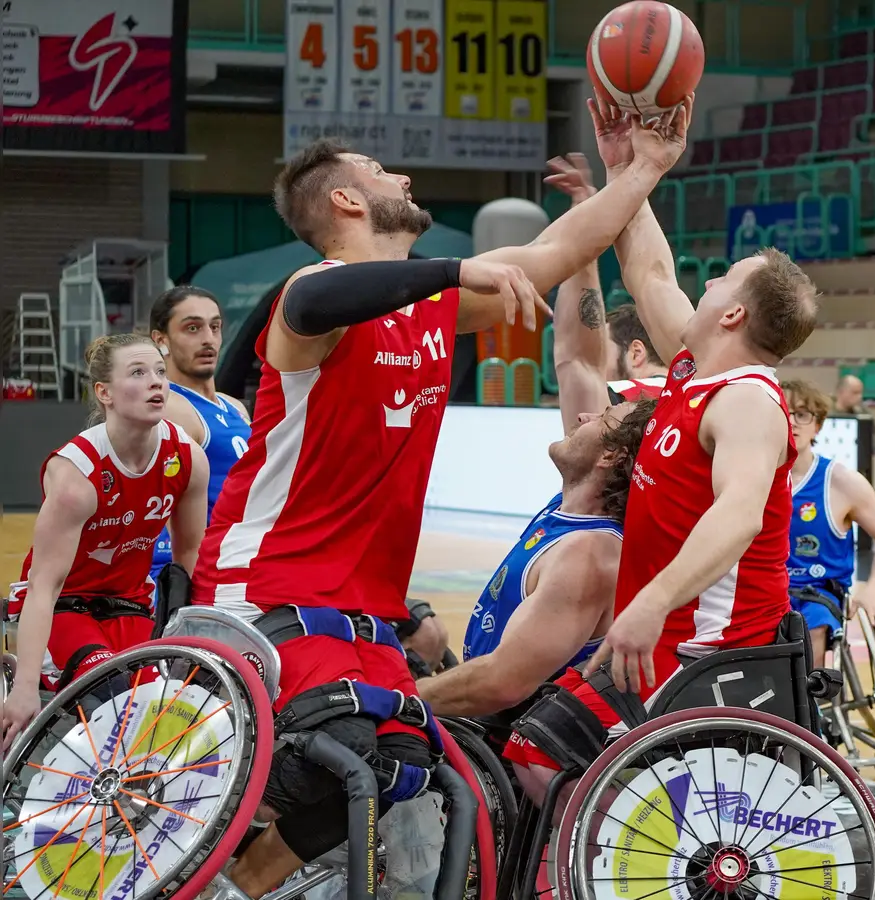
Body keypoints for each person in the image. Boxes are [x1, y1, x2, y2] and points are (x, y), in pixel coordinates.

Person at [195, 114, 685, 898]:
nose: (406, 178)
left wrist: (643, 170)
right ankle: (194, 856)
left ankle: (247, 881)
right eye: (383, 169)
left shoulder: (433, 305)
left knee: (403, 766)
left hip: (363, 607)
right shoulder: (311, 294)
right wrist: (457, 272)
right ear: (348, 201)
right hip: (269, 583)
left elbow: (560, 252)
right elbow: (329, 300)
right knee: (342, 746)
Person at [503, 92, 819, 803]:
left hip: (712, 648)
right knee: (528, 750)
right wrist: (630, 172)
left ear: (733, 313)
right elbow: (649, 274)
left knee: (540, 762)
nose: (706, 282)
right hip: (663, 637)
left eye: (724, 278)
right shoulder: (693, 371)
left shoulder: (748, 401)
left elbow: (739, 518)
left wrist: (649, 600)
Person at [417, 154, 654, 723]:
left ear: (613, 456)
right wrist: (585, 233)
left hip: (505, 732)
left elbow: (498, 686)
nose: (579, 416)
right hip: (483, 706)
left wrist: (390, 703)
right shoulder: (579, 503)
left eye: (600, 420)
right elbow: (577, 357)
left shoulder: (592, 553)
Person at [1, 334, 210, 751]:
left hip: (132, 608)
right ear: (105, 393)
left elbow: (188, 560)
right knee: (118, 699)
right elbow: (44, 586)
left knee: (176, 721)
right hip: (64, 609)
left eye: (159, 372)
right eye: (138, 373)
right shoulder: (76, 476)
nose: (156, 383)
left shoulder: (187, 459)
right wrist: (24, 688)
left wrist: (189, 637)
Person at [781, 379, 875, 664]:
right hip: (767, 591)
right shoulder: (753, 477)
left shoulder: (840, 481)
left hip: (817, 594)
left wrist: (873, 588)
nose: (792, 422)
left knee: (810, 624)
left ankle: (810, 702)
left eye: (802, 414)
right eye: (784, 412)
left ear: (818, 426)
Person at [146, 286, 253, 583]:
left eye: (215, 327)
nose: (208, 339)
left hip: (240, 556)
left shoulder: (232, 406)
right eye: (192, 328)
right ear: (161, 340)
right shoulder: (168, 405)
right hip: (198, 570)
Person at [605, 302, 667, 401]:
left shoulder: (617, 392)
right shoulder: (693, 392)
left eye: (601, 354)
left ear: (636, 353)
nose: (596, 367)